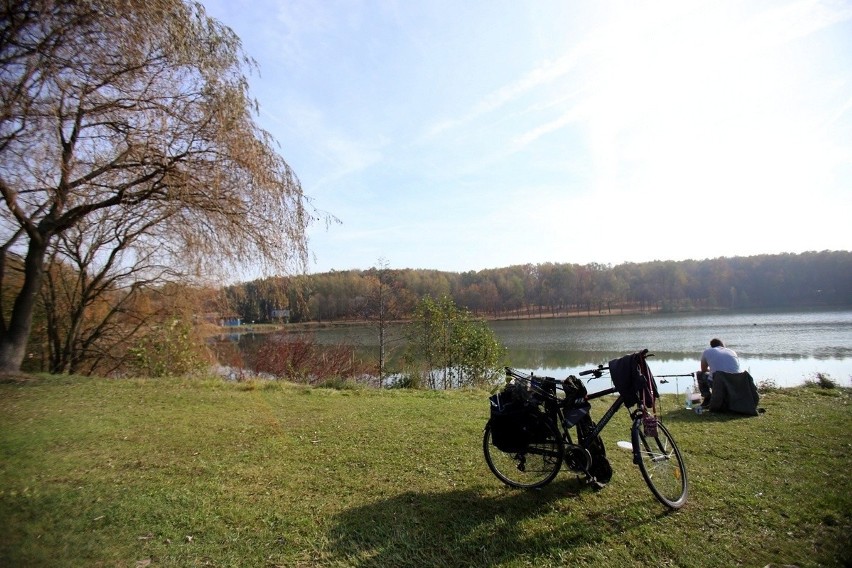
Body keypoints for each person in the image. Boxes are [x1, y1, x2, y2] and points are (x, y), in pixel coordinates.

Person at [696, 338, 741, 407]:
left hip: (718, 383)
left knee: (700, 374)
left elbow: (703, 369)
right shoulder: (732, 351)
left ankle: (707, 398)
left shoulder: (707, 351)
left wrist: (711, 370)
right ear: (722, 344)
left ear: (712, 346)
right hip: (736, 382)